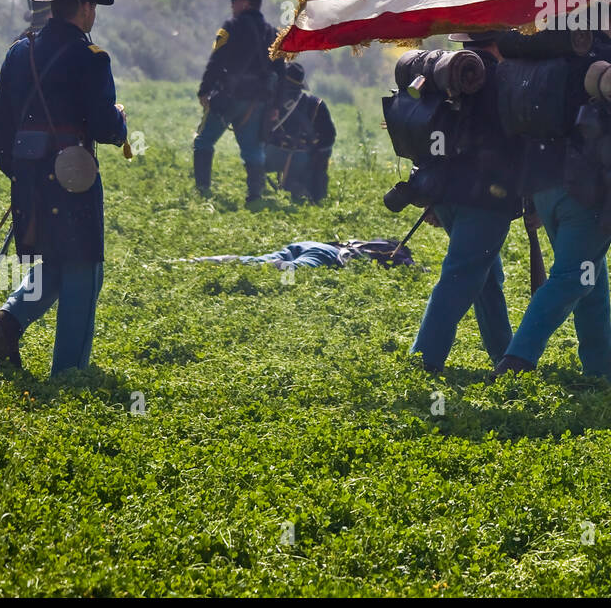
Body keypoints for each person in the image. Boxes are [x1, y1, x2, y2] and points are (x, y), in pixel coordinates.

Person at [0, 0, 127, 375]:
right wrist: (120, 122)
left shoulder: (19, 50)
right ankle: (69, 373)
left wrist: (19, 171)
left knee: (53, 262)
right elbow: (103, 126)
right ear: (83, 7)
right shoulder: (92, 58)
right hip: (72, 181)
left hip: (29, 178)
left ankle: (8, 322)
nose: (94, 14)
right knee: (83, 269)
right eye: (93, 5)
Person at [493, 26, 611, 381]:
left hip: (542, 186)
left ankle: (600, 374)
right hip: (583, 190)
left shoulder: (537, 61)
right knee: (573, 278)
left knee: (591, 279)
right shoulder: (602, 60)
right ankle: (517, 360)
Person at [409, 32, 520, 374]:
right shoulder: (501, 79)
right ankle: (424, 357)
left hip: (445, 192)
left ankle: (504, 352)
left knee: (485, 277)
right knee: (462, 275)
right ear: (498, 41)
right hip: (483, 198)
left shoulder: (444, 77)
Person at [193, 0, 281, 202]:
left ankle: (203, 191)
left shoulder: (231, 26)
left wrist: (204, 90)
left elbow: (216, 60)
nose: (232, 5)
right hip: (258, 102)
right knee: (253, 151)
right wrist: (276, 106)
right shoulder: (273, 33)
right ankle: (255, 195)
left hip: (228, 98)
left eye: (235, 1)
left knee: (203, 142)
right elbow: (281, 72)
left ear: (246, 3)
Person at [263, 62, 336, 202]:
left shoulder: (270, 98)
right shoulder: (316, 104)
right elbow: (329, 137)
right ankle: (301, 188)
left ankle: (257, 190)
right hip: (301, 159)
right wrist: (315, 152)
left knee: (253, 154)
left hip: (269, 156)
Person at [189, 238, 414, 270]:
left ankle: (201, 261)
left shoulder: (371, 243)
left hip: (309, 245)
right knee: (292, 271)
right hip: (326, 255)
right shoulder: (398, 253)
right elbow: (409, 265)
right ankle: (275, 268)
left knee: (254, 260)